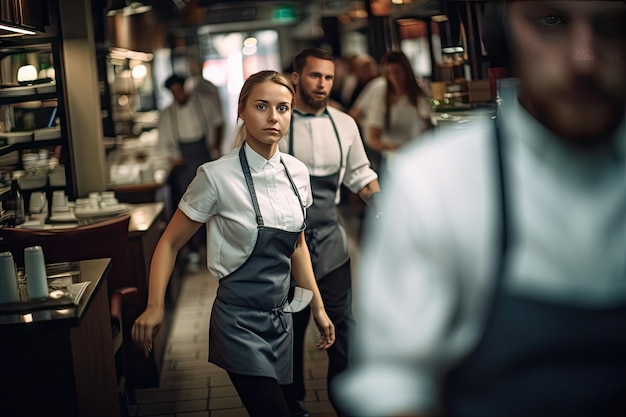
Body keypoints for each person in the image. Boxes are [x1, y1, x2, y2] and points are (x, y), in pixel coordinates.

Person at [335, 1, 626, 416]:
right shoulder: (437, 181)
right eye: (551, 22)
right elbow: (393, 382)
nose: (584, 59)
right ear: (503, 33)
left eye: (613, 26)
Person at [133, 70, 336, 417]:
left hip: (282, 318)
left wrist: (317, 307)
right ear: (241, 111)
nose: (274, 117)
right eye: (262, 106)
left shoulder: (297, 173)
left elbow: (298, 246)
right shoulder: (215, 176)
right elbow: (168, 244)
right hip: (238, 323)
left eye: (283, 108)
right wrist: (155, 305)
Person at [279, 47, 381, 417]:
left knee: (343, 325)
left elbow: (361, 175)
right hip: (284, 244)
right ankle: (293, 402)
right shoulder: (278, 121)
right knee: (291, 325)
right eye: (314, 76)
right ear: (295, 77)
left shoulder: (344, 123)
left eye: (328, 77)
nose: (322, 84)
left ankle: (346, 399)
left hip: (330, 236)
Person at [157, 73, 224, 271]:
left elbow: (218, 123)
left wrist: (216, 146)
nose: (178, 94)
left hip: (205, 158)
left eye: (180, 89)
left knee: (213, 204)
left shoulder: (203, 103)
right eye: (173, 91)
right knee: (192, 208)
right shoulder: (167, 114)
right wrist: (173, 156)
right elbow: (163, 142)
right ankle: (194, 250)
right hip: (185, 165)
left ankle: (213, 248)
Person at [365, 50, 432, 176]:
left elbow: (427, 125)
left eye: (397, 71)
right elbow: (372, 138)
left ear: (406, 71)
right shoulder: (381, 96)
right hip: (393, 160)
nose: (394, 77)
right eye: (389, 73)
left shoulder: (419, 95)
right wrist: (396, 147)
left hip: (419, 155)